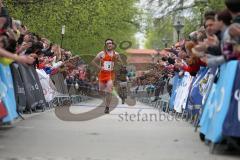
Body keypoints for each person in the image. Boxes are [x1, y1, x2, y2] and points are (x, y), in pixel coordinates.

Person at [92, 38, 122, 114]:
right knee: (101, 91)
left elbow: (121, 64)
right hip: (102, 74)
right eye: (107, 43)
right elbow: (93, 62)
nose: (109, 44)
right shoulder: (101, 53)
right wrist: (99, 67)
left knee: (109, 90)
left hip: (111, 74)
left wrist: (117, 62)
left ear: (113, 44)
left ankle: (107, 107)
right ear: (105, 45)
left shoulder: (116, 54)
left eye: (110, 43)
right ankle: (106, 100)